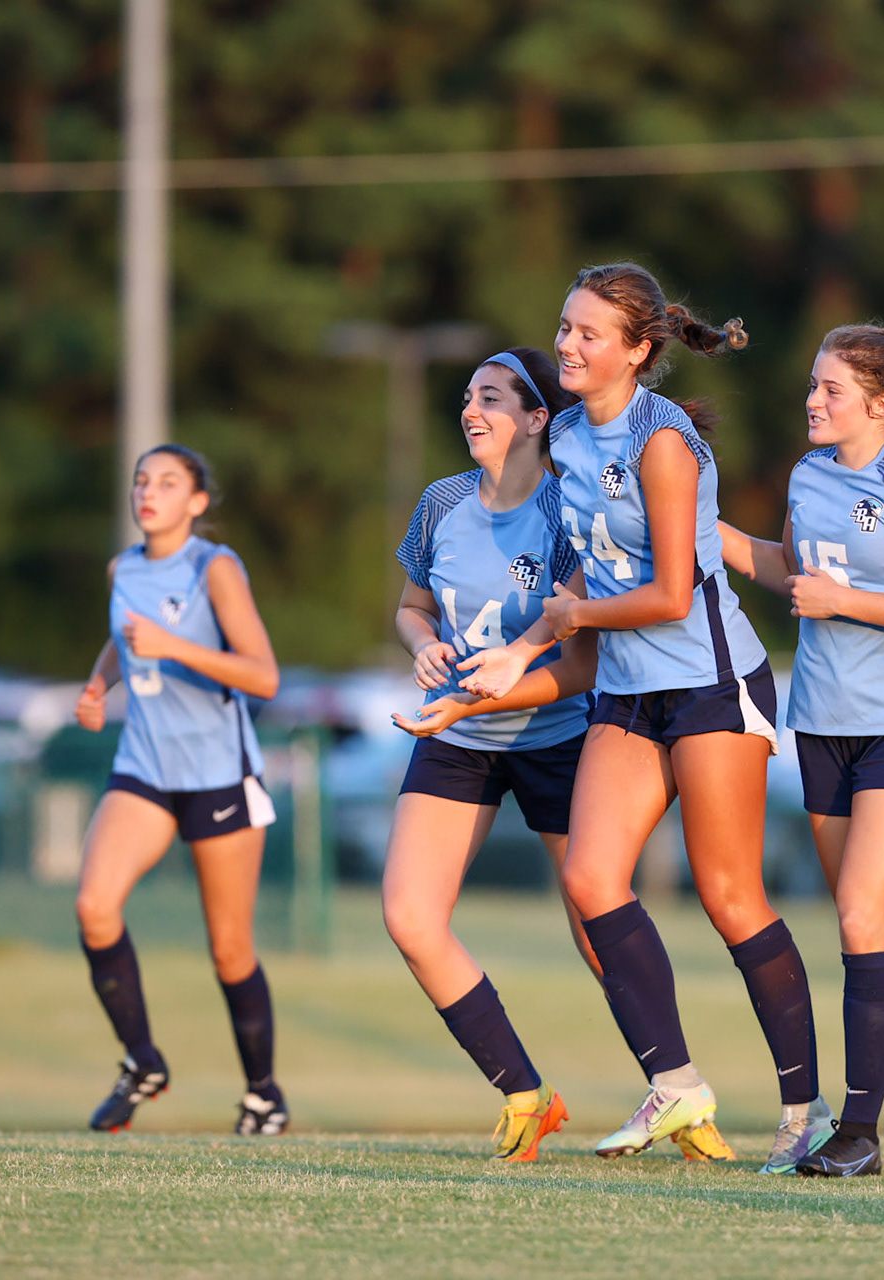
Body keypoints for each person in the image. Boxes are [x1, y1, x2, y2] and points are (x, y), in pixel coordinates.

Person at [460, 263, 824, 1172]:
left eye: (589, 333)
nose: (569, 346)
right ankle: (677, 1084)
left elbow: (668, 592)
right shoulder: (572, 435)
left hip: (710, 684)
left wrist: (571, 619)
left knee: (731, 899)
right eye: (565, 327)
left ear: (638, 349)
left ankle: (805, 1112)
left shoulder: (663, 443)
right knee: (590, 880)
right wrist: (524, 648)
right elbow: (586, 569)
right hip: (625, 692)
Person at [719, 323, 884, 1177]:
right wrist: (699, 530)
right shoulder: (806, 474)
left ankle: (859, 1133)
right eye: (812, 384)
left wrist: (848, 600)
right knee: (873, 925)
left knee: (864, 915)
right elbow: (790, 572)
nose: (812, 400)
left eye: (830, 389)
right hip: (821, 725)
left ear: (881, 403)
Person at [384, 347, 599, 1162]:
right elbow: (410, 605)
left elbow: (580, 657)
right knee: (409, 917)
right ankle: (524, 1094)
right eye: (468, 396)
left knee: (598, 929)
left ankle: (677, 1091)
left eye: (494, 397)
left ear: (539, 417)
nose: (471, 410)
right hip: (458, 737)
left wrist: (484, 691)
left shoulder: (568, 512)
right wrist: (423, 643)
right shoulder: (441, 502)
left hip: (558, 736)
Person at [73, 444, 286, 1135]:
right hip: (144, 766)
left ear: (197, 502)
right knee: (94, 906)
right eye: (141, 480)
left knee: (229, 949)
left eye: (167, 482)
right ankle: (142, 1061)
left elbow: (263, 676)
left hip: (217, 774)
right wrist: (100, 682)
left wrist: (175, 647)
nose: (148, 491)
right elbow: (125, 636)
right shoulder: (124, 567)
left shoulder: (213, 568)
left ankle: (263, 1096)